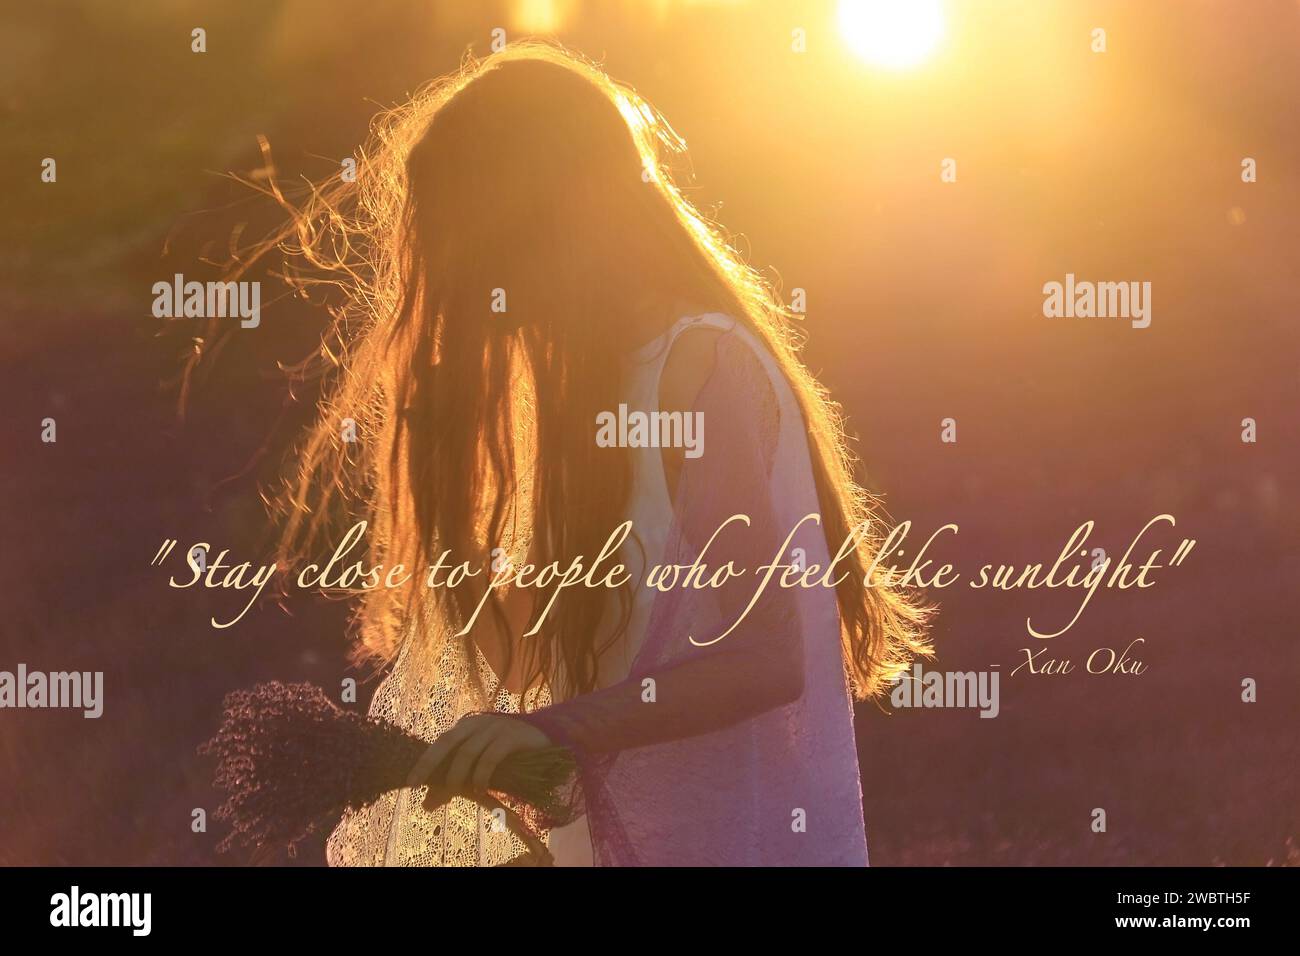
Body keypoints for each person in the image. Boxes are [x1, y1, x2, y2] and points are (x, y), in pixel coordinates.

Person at [266, 41, 931, 866]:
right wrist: (453, 530)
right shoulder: (584, 391)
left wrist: (552, 730)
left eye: (473, 245)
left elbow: (765, 656)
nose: (460, 286)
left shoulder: (700, 364)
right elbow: (561, 657)